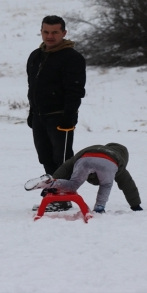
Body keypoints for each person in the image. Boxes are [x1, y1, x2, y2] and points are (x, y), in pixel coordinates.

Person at [26, 15, 86, 178]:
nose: (49, 36)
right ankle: (54, 195)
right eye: (46, 32)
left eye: (55, 32)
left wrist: (69, 116)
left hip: (59, 117)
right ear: (41, 32)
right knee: (45, 157)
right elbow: (33, 87)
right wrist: (32, 112)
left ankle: (64, 196)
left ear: (64, 33)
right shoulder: (35, 56)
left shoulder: (72, 58)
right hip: (39, 117)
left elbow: (75, 91)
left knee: (63, 160)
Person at [25, 143, 143, 213]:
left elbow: (66, 167)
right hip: (108, 163)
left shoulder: (94, 149)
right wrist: (135, 205)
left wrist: (55, 177)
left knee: (73, 185)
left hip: (85, 159)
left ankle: (49, 182)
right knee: (106, 185)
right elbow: (128, 186)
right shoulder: (118, 164)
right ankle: (99, 208)